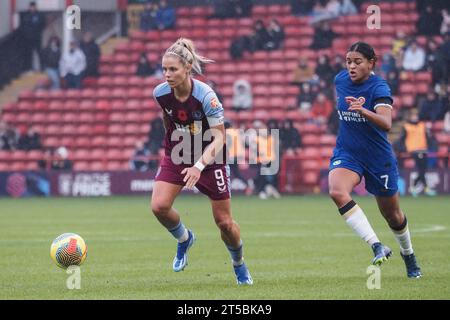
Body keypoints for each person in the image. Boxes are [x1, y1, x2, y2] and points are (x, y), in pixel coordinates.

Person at [151, 38, 253, 285]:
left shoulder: (206, 95)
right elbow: (169, 121)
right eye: (164, 69)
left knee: (225, 223)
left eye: (173, 69)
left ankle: (239, 264)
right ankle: (185, 239)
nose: (167, 74)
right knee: (159, 206)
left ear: (187, 69)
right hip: (179, 152)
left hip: (211, 156)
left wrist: (198, 166)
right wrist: (171, 150)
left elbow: (220, 137)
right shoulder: (160, 93)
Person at [328, 41, 422, 278]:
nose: (351, 66)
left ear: (371, 63)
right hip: (348, 153)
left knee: (393, 216)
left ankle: (408, 254)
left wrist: (363, 111)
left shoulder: (379, 88)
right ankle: (377, 245)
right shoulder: (340, 80)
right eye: (348, 61)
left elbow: (387, 123)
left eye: (357, 62)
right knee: (337, 192)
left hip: (378, 158)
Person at [399, 112, 437, 196]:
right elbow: (401, 140)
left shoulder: (422, 125)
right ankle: (424, 188)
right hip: (414, 150)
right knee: (422, 170)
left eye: (416, 116)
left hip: (423, 150)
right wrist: (403, 149)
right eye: (413, 116)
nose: (415, 118)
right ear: (410, 117)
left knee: (423, 170)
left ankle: (416, 188)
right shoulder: (406, 127)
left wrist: (431, 146)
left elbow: (428, 137)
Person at [19, 1, 46, 71]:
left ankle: (42, 68)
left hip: (37, 38)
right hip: (28, 38)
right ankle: (29, 68)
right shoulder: (26, 15)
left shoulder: (39, 15)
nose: (32, 8)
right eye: (31, 7)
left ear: (35, 7)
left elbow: (43, 25)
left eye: (33, 7)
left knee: (39, 52)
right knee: (28, 53)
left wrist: (37, 31)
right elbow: (23, 26)